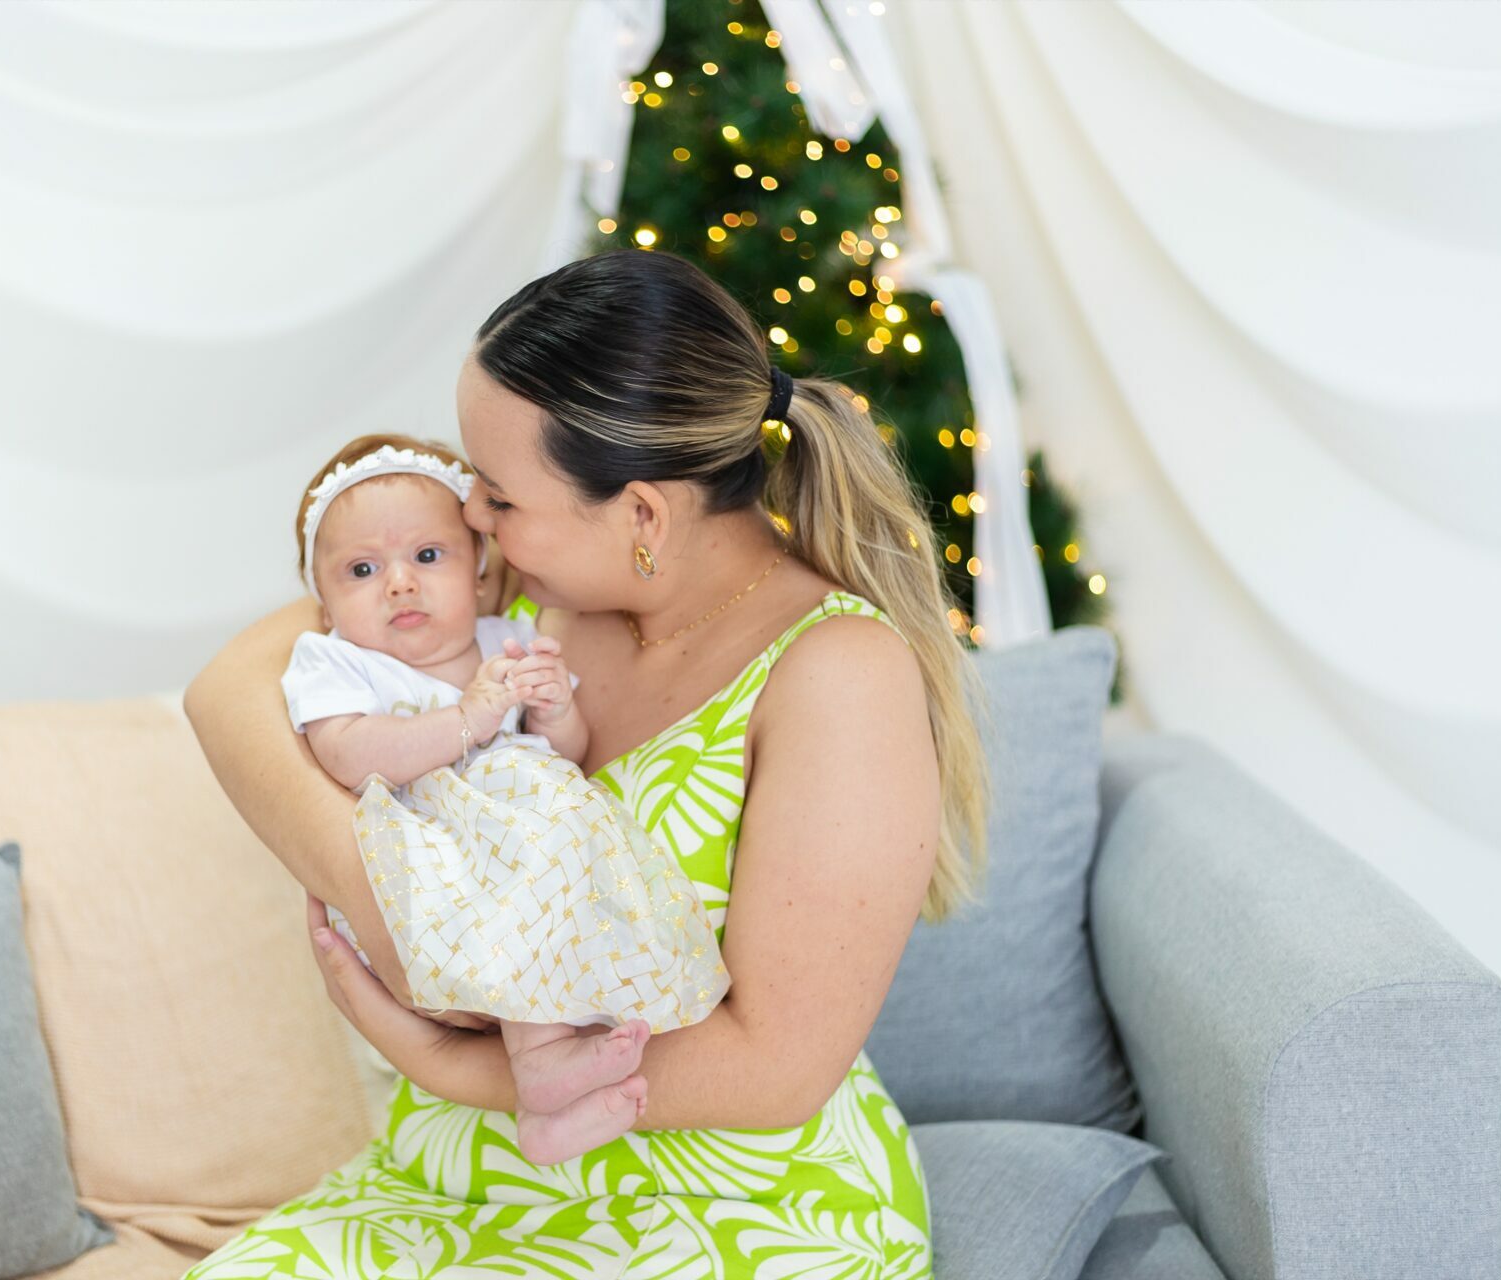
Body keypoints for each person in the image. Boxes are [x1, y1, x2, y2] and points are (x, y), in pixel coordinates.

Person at [182, 248, 992, 1279]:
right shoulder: (520, 590)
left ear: (642, 514)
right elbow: (228, 692)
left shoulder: (838, 672)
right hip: (452, 1179)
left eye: (498, 495)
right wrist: (392, 905)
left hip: (720, 1198)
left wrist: (450, 1059)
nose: (467, 516)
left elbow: (777, 1069)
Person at [279, 433, 729, 1166]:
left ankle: (550, 1102)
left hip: (518, 857)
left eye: (429, 556)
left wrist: (554, 711)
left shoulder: (507, 641)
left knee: (564, 898)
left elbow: (567, 754)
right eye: (363, 570)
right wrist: (467, 719)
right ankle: (542, 1066)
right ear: (324, 603)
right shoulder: (337, 662)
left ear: (478, 568)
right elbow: (347, 753)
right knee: (518, 898)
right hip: (425, 861)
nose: (400, 584)